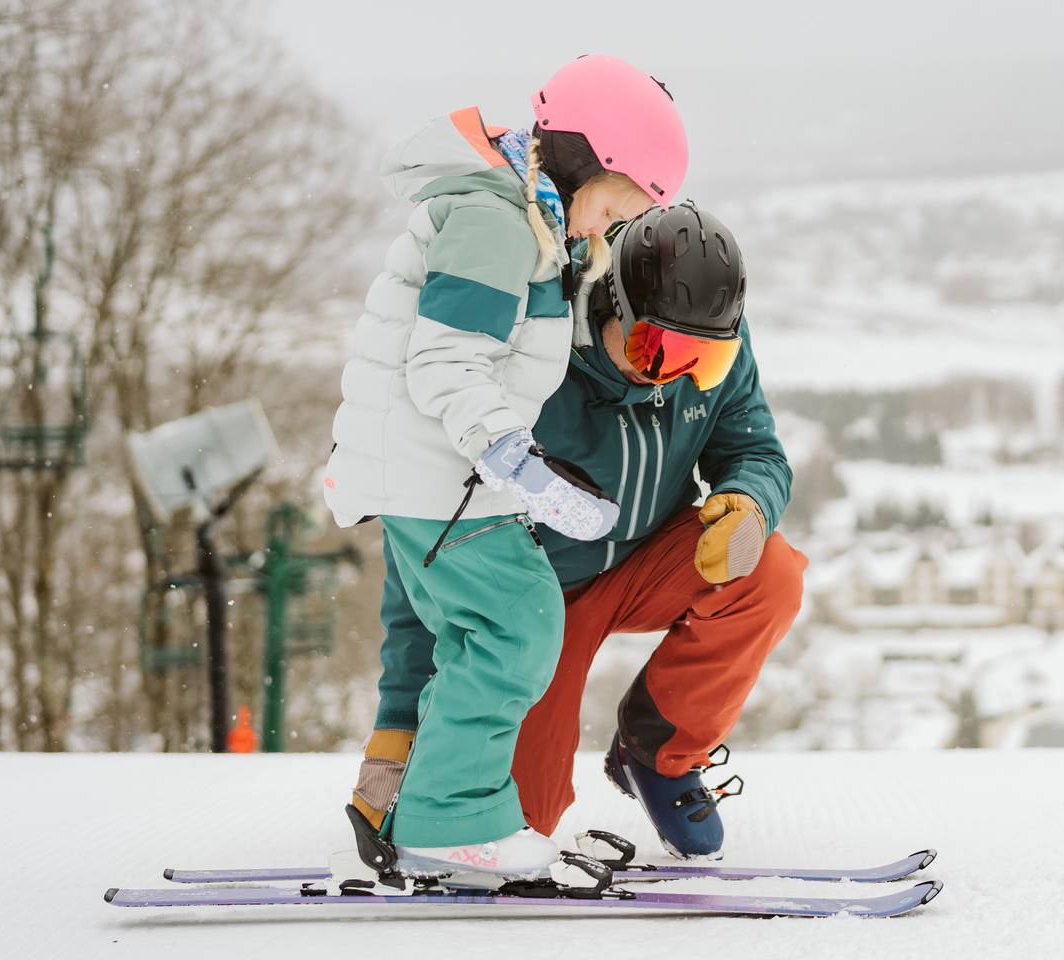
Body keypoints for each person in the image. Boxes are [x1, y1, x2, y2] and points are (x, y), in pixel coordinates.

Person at [322, 54, 686, 882]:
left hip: (437, 473)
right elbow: (446, 363)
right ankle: (449, 820)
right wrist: (515, 461)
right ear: (587, 157)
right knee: (516, 622)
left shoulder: (526, 217)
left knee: (479, 634)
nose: (605, 230)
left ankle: (418, 805)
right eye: (615, 206)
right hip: (436, 474)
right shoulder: (495, 223)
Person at [352, 202, 803, 862]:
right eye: (655, 349)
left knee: (770, 573)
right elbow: (428, 543)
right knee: (520, 823)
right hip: (535, 600)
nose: (677, 372)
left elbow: (754, 448)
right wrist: (398, 721)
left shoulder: (707, 337)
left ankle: (658, 755)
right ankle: (438, 803)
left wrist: (749, 503)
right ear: (610, 304)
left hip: (650, 563)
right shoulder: (529, 355)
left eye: (703, 360)